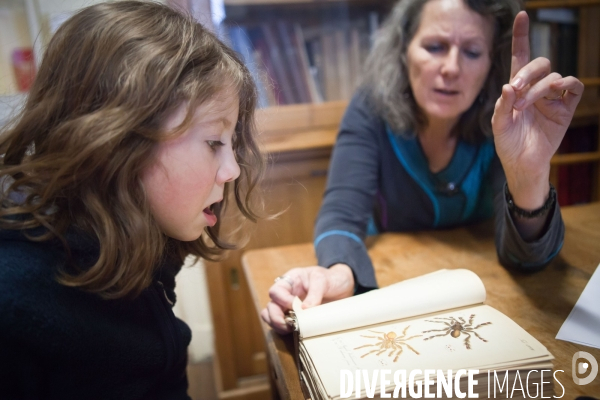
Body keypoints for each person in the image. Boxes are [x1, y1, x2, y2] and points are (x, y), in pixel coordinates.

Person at [262, 0, 584, 334]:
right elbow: (341, 212)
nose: (451, 68)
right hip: (389, 293)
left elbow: (528, 259)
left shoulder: (508, 120)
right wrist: (339, 271)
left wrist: (530, 175)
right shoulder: (370, 108)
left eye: (472, 52)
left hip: (486, 301)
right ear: (403, 50)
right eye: (434, 47)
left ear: (492, 63)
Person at [0, 2, 263, 399]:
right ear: (118, 141)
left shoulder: (138, 245)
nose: (232, 170)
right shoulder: (14, 305)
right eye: (214, 143)